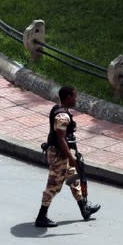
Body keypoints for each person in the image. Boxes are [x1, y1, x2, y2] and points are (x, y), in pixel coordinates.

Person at [35, 86, 100, 227]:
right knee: (53, 185)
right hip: (59, 156)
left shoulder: (60, 110)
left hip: (64, 154)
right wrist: (72, 159)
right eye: (74, 96)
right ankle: (41, 217)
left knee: (73, 180)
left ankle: (85, 209)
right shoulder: (62, 116)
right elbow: (61, 139)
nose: (75, 99)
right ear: (68, 97)